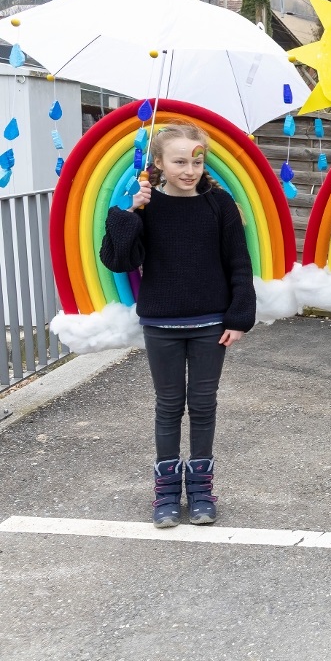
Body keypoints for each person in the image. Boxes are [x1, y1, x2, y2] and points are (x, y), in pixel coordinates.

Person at [100, 120, 256, 529]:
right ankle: (166, 493)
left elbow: (239, 264)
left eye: (197, 161)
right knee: (169, 407)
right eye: (180, 161)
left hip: (211, 324)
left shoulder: (219, 206)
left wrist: (240, 316)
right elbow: (118, 260)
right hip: (161, 324)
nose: (189, 169)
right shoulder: (145, 207)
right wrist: (130, 211)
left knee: (203, 406)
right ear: (159, 163)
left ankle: (201, 491)